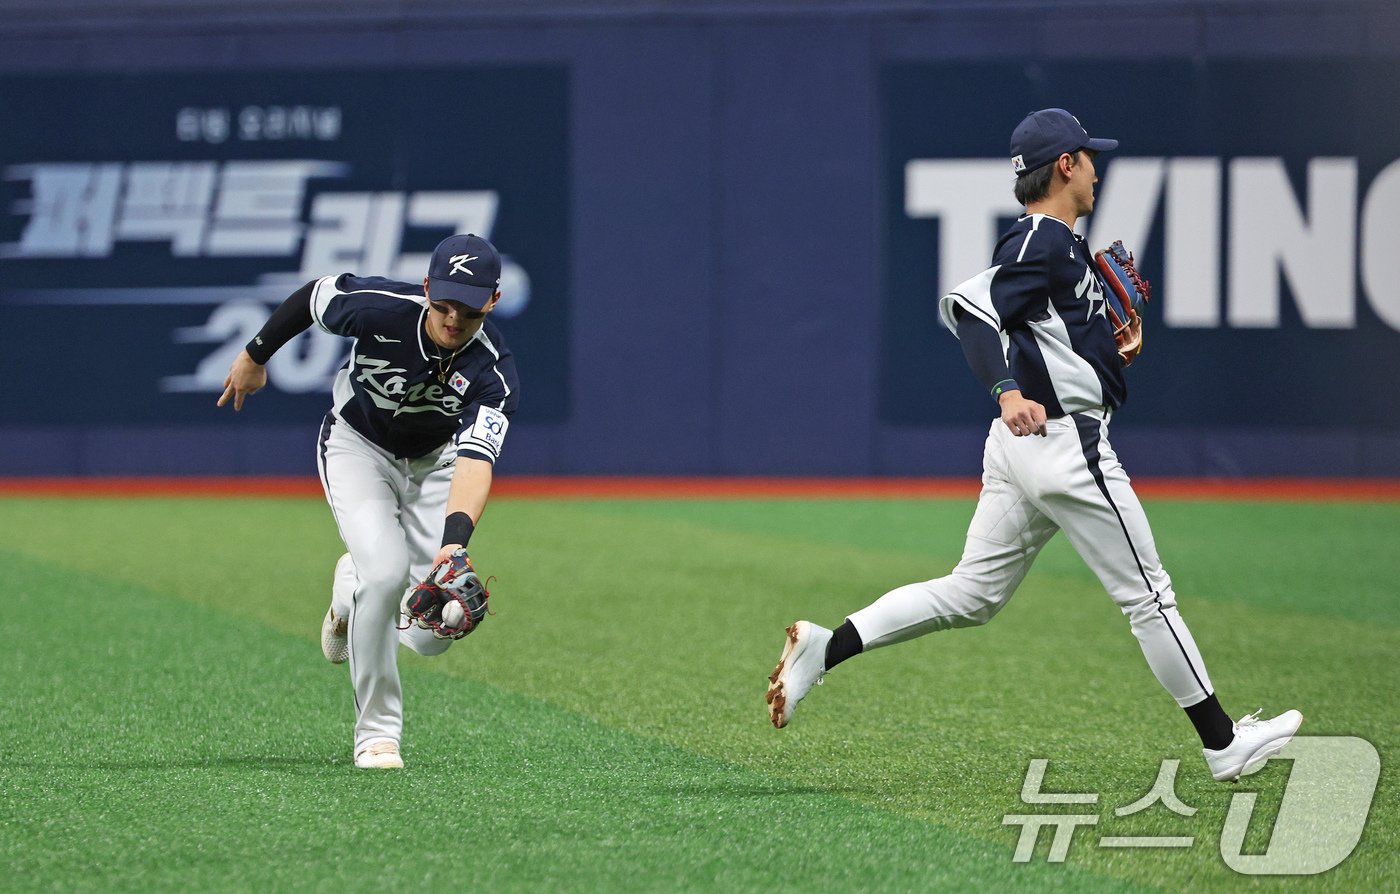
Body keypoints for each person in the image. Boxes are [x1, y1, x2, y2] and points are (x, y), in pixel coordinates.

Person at [765, 109, 1301, 782]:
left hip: (1028, 451)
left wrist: (1105, 352)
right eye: (1088, 156)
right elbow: (972, 311)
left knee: (971, 594)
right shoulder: (1039, 240)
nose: (1098, 168)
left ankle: (824, 648)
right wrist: (1007, 391)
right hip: (1065, 444)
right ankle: (1224, 743)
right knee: (1150, 598)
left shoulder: (1058, 248)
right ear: (1066, 166)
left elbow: (1044, 334)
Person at [218, 233, 519, 769]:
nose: (452, 319)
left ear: (492, 301)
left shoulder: (493, 372)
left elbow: (476, 461)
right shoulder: (381, 309)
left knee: (433, 629)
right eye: (442, 303)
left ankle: (347, 590)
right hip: (358, 446)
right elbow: (314, 296)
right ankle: (377, 733)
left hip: (437, 464)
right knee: (385, 574)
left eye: (468, 310)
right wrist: (254, 354)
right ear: (426, 288)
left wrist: (454, 547)